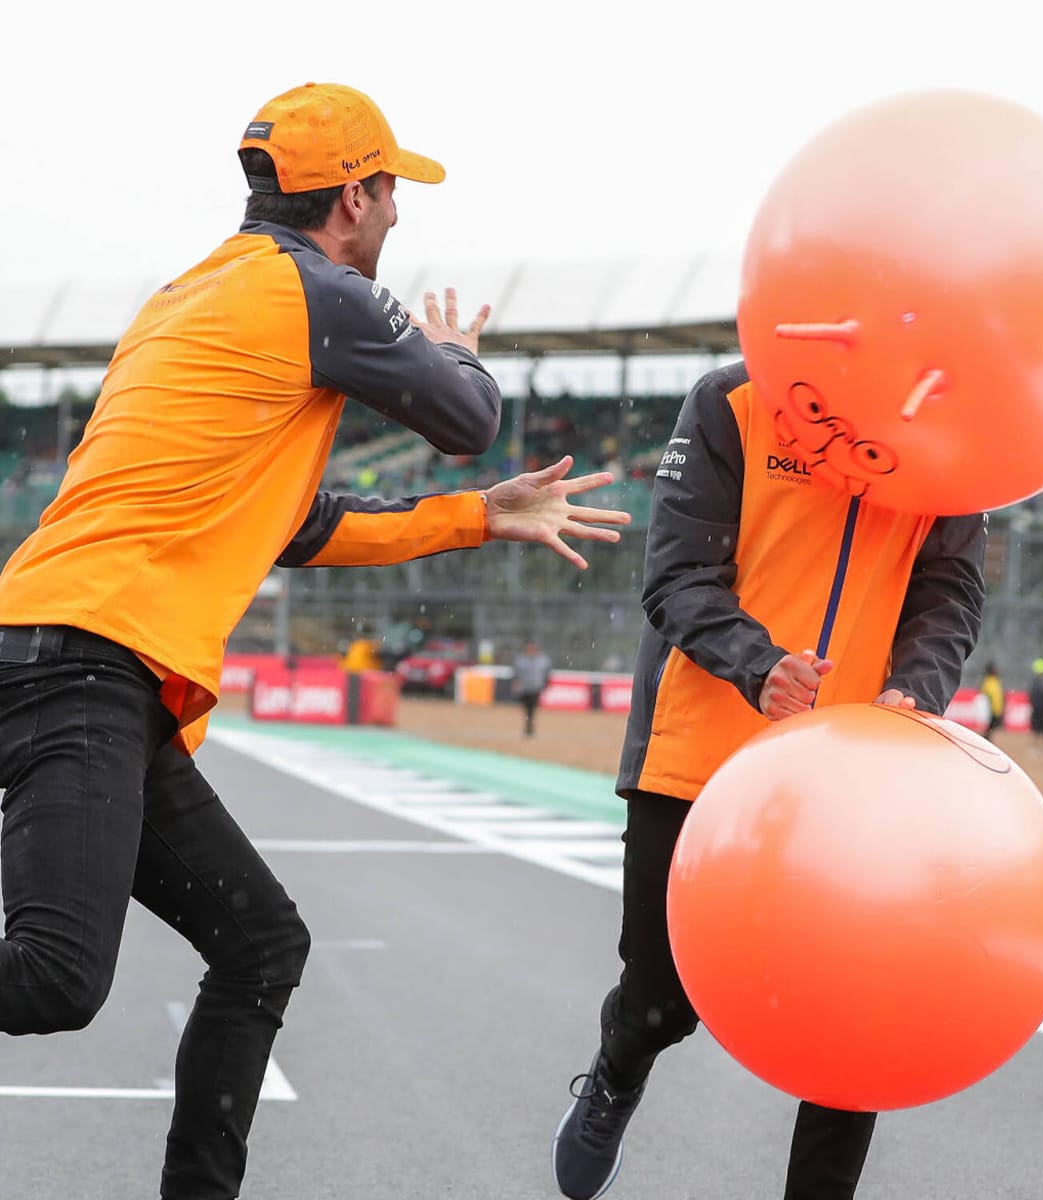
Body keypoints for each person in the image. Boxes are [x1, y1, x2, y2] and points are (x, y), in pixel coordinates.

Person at [0, 82, 629, 1200]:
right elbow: (468, 419)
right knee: (54, 979)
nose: (397, 216)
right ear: (353, 195)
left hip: (78, 656)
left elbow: (299, 525)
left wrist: (480, 516)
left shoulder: (188, 298)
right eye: (392, 192)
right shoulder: (319, 292)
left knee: (258, 944)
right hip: (77, 658)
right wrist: (455, 354)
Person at [551, 360, 986, 1200]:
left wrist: (915, 690)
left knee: (854, 1017)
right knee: (662, 1000)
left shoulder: (957, 432)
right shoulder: (733, 401)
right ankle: (617, 1070)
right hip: (699, 754)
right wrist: (759, 667)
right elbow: (675, 575)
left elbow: (951, 589)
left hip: (852, 772)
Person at [512, 639, 553, 736]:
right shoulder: (520, 660)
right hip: (524, 689)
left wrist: (545, 684)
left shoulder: (543, 661)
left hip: (535, 689)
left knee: (532, 708)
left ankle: (530, 725)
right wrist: (516, 683)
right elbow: (515, 673)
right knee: (526, 708)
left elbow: (547, 674)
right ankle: (528, 724)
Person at [980, 661, 1005, 740]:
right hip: (992, 711)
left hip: (995, 710)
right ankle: (986, 740)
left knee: (991, 728)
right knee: (990, 728)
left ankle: (986, 739)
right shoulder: (988, 682)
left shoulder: (994, 681)